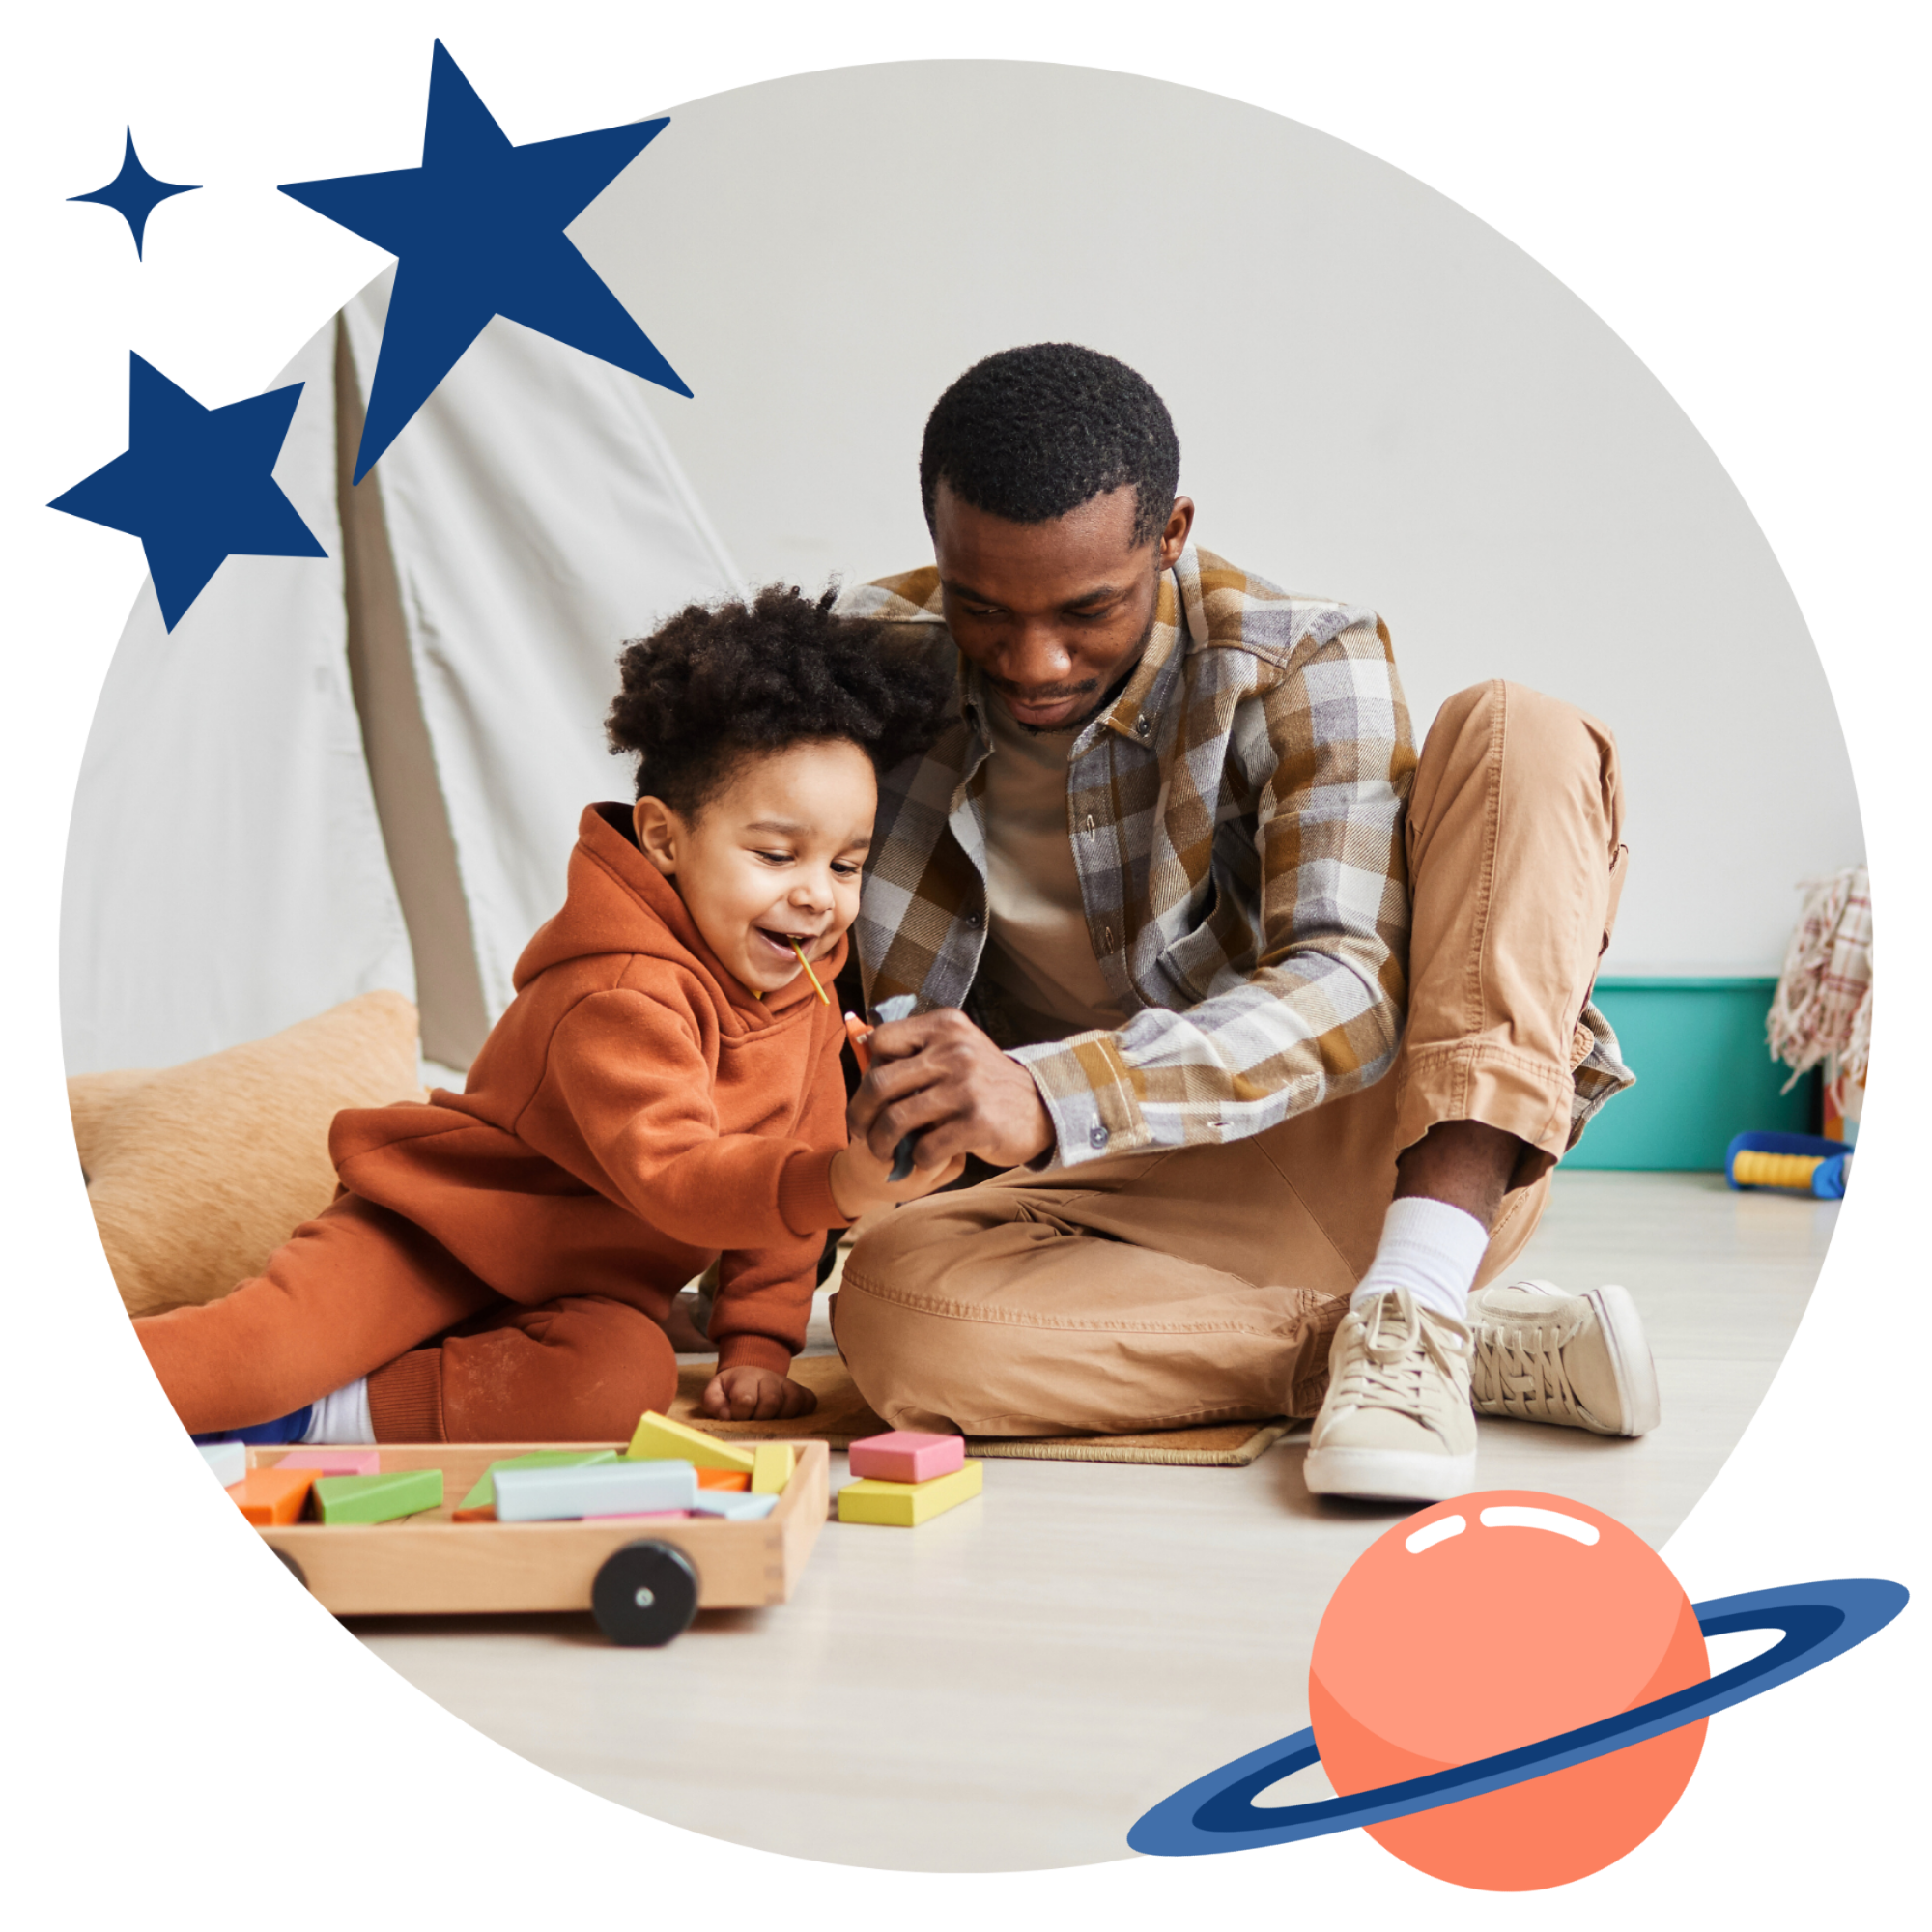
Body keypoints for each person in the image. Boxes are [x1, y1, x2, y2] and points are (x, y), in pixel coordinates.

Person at [831, 343, 1659, 1503]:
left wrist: (1055, 1090)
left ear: (1168, 535)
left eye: (1085, 611)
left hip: (1391, 1153)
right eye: (981, 607)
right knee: (899, 1315)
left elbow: (1349, 982)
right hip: (1085, 1212)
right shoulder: (858, 661)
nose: (1032, 661)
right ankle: (1403, 1342)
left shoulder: (1298, 654)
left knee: (1519, 728)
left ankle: (1422, 1279)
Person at [133, 586, 960, 1445]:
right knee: (255, 1357)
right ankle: (275, 1390)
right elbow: (678, 1175)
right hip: (438, 1235)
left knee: (617, 1384)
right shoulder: (617, 989)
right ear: (664, 839)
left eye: (846, 865)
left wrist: (756, 1343)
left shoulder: (810, 992)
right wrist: (838, 1182)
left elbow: (786, 1187)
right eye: (776, 854)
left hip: (587, 1286)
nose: (815, 895)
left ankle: (319, 1418)